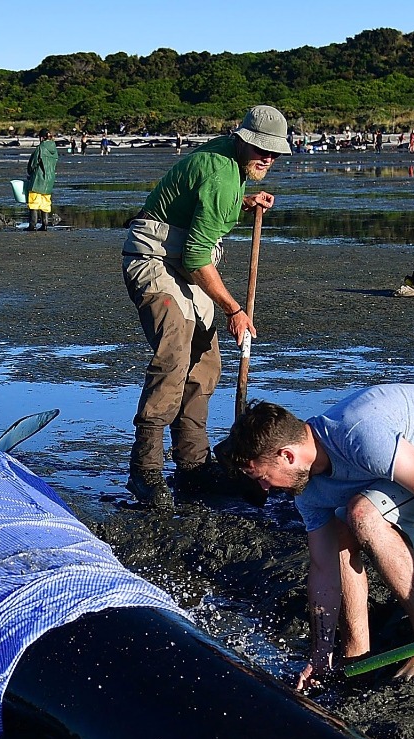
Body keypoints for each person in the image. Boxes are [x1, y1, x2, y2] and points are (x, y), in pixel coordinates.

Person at [224, 386, 414, 688]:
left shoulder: (361, 436)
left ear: (287, 455)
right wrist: (321, 653)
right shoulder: (308, 493)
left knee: (363, 514)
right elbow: (324, 569)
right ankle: (356, 657)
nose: (264, 489)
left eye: (260, 477)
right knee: (341, 529)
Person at [120, 104, 288, 507]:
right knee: (174, 357)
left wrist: (245, 202)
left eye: (275, 152)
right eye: (260, 149)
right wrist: (234, 309)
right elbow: (196, 257)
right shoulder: (220, 176)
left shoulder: (230, 165)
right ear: (242, 139)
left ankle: (193, 467)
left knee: (206, 364)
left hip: (185, 260)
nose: (267, 158)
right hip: (155, 260)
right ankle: (145, 471)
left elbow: (200, 212)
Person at [24, 133, 58, 230]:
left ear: (42, 137)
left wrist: (30, 173)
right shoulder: (54, 150)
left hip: (38, 179)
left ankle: (32, 225)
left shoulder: (40, 148)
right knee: (46, 202)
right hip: (50, 179)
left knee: (34, 201)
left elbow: (32, 164)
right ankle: (45, 225)